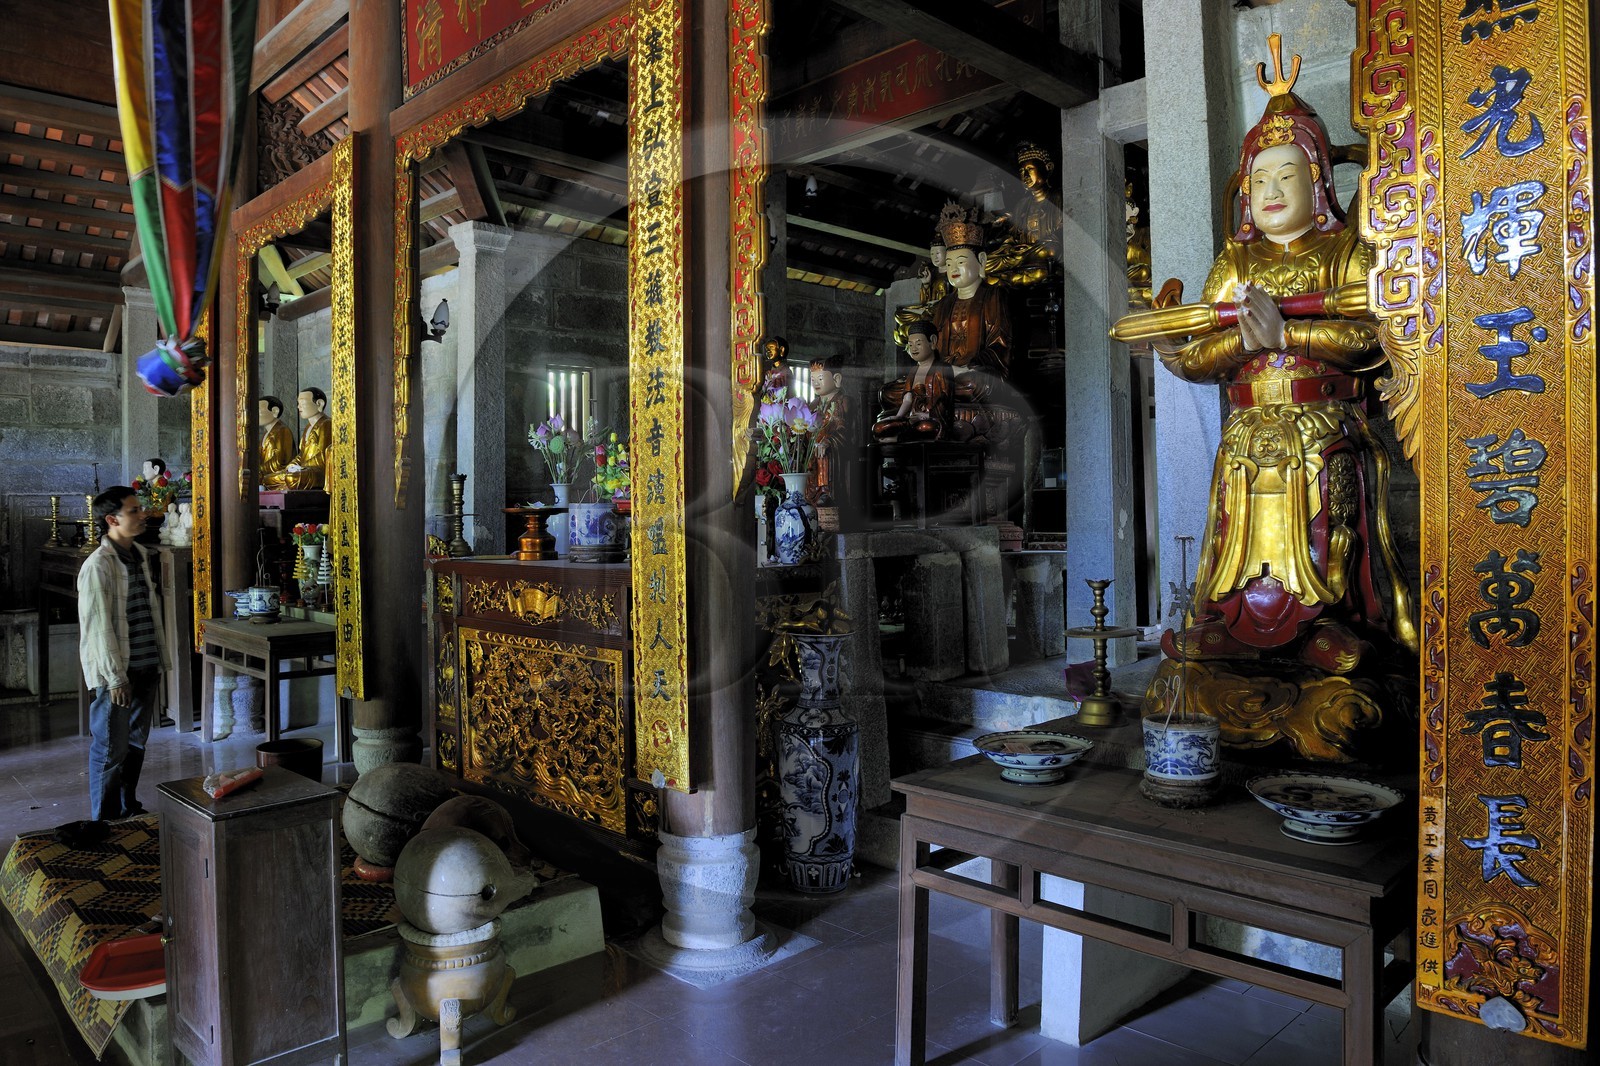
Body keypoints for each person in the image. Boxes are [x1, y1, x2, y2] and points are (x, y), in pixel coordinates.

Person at [1115, 36, 1416, 760]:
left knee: (1324, 532)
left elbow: (1373, 337)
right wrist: (1188, 346)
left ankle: (1326, 624)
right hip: (1248, 432)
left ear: (1320, 182)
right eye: (1260, 179)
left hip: (1323, 425)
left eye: (1288, 174)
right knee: (1237, 542)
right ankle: (1232, 627)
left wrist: (1291, 335)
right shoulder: (1237, 262)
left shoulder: (1347, 252)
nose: (1272, 191)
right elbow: (1202, 362)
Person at [77, 487, 168, 821]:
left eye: (139, 508)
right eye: (133, 511)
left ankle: (128, 806)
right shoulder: (98, 566)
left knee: (135, 742)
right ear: (112, 519)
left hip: (145, 664)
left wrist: (158, 661)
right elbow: (99, 629)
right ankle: (105, 818)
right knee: (109, 749)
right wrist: (115, 678)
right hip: (118, 673)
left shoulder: (140, 554)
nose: (142, 514)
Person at [927, 208, 1013, 383]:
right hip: (943, 375)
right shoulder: (944, 304)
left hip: (975, 373)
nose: (953, 269)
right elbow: (933, 346)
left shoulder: (994, 297)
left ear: (981, 261)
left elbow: (1000, 345)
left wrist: (970, 366)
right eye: (949, 264)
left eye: (960, 262)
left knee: (975, 382)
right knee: (891, 392)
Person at [872, 320, 951, 442]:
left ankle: (899, 438)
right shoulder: (913, 371)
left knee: (926, 427)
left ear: (933, 342)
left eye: (918, 344)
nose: (914, 348)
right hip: (912, 418)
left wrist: (927, 415)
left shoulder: (941, 369)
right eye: (910, 344)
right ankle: (903, 436)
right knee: (878, 427)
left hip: (931, 419)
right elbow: (907, 400)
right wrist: (898, 416)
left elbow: (944, 401)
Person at [262, 387, 332, 490]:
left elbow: (321, 457)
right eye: (298, 403)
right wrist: (292, 465)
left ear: (319, 404)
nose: (298, 407)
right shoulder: (308, 427)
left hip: (316, 472)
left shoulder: (326, 424)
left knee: (292, 478)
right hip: (301, 470)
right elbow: (302, 454)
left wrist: (300, 468)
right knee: (268, 479)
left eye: (302, 403)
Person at [807, 353, 853, 506]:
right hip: (813, 447)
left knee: (823, 451)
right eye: (812, 380)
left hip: (834, 449)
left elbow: (844, 429)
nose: (815, 383)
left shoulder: (843, 402)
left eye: (820, 379)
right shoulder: (813, 405)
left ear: (836, 379)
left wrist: (829, 441)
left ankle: (825, 492)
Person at [259, 395, 295, 481]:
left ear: (275, 411)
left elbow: (279, 462)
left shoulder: (282, 431)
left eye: (258, 410)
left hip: (276, 476)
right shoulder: (265, 434)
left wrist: (259, 470)